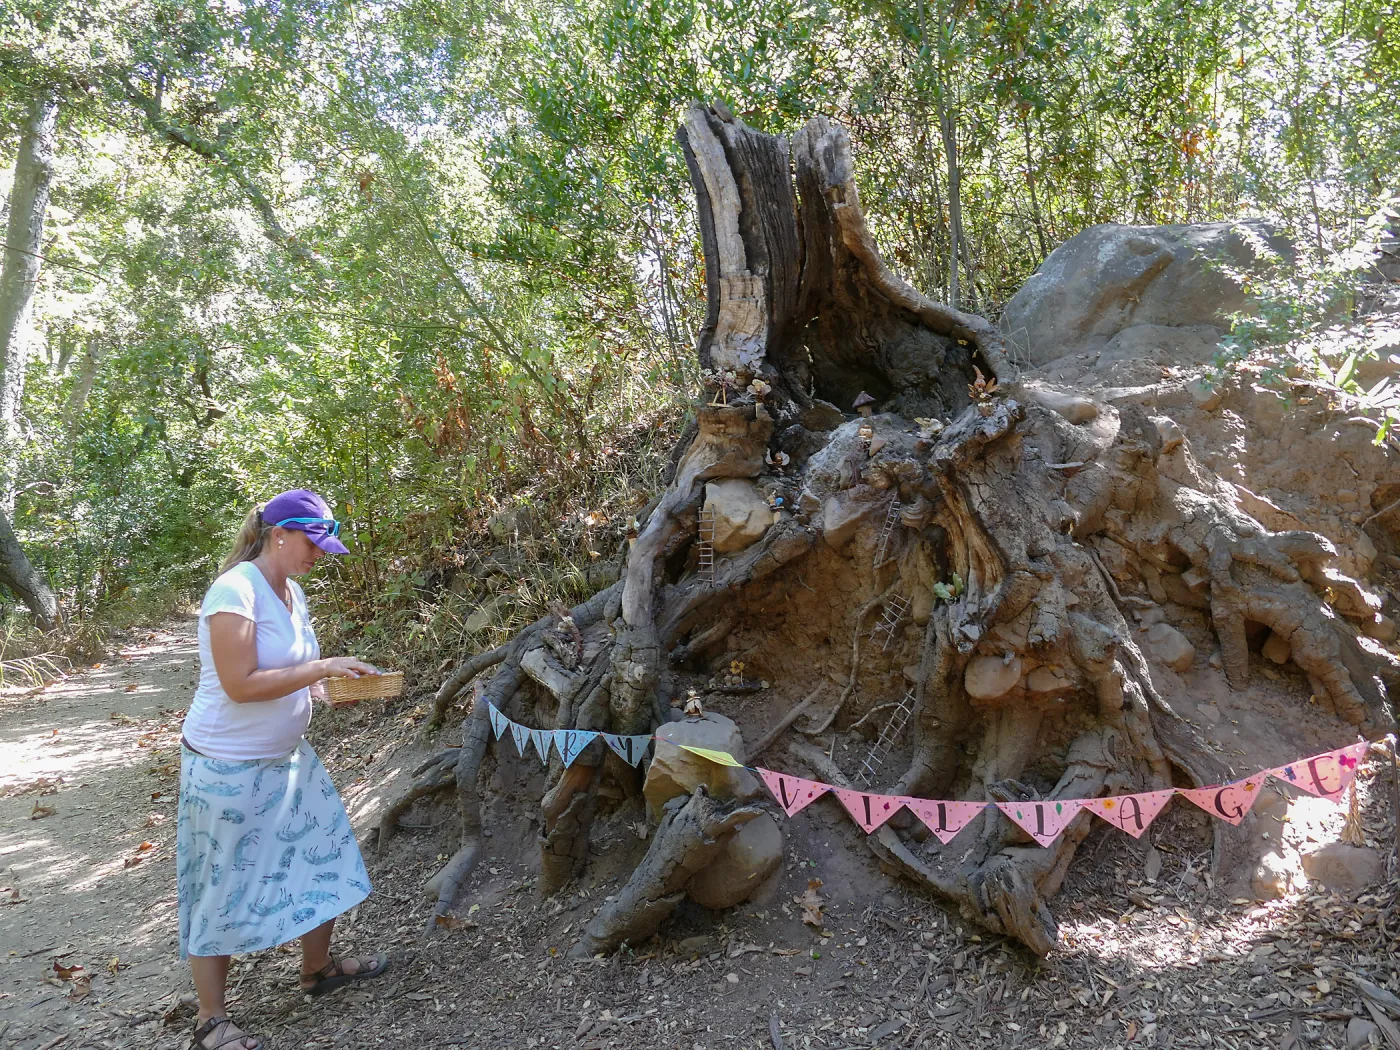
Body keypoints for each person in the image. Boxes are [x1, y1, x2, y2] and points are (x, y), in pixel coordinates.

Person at [178, 489, 389, 1050]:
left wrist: (330, 685)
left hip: (287, 760)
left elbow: (299, 672)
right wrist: (318, 667)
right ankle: (209, 1019)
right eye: (312, 543)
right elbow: (239, 684)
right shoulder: (235, 590)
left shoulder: (291, 592)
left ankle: (316, 972)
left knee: (328, 855)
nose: (318, 555)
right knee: (219, 883)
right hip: (226, 765)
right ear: (279, 535)